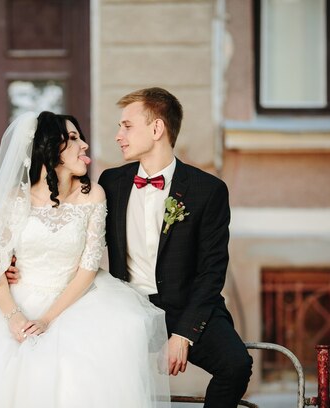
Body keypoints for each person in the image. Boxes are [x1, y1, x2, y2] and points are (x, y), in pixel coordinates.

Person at [0, 111, 170, 408]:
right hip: (15, 301)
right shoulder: (15, 200)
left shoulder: (93, 196)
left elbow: (88, 267)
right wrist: (15, 318)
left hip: (76, 301)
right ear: (50, 147)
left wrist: (46, 319)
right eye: (74, 138)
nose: (85, 145)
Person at [97, 87, 253, 408]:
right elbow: (77, 237)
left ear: (157, 129)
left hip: (187, 305)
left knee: (236, 365)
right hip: (127, 309)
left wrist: (184, 334)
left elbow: (212, 271)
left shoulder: (207, 190)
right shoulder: (110, 183)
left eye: (127, 126)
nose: (118, 135)